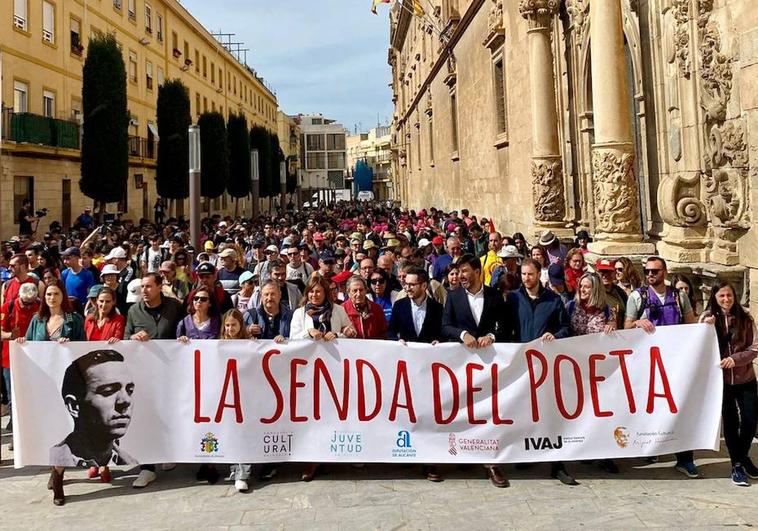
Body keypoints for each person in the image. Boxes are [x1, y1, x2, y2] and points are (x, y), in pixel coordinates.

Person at [441, 253, 512, 488]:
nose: (460, 276)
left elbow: (504, 326)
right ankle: (462, 453)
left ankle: (492, 463)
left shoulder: (493, 295)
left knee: (489, 412)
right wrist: (463, 335)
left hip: (489, 366)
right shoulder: (453, 297)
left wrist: (491, 336)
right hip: (462, 367)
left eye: (464, 271)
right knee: (463, 410)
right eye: (458, 272)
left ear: (477, 271)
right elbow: (446, 326)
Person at [624, 256, 698, 477]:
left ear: (664, 272)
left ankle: (685, 458)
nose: (650, 275)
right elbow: (626, 327)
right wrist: (637, 323)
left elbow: (691, 325)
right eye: (647, 271)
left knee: (680, 408)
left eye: (654, 271)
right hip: (648, 363)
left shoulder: (679, 296)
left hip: (675, 362)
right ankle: (652, 446)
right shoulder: (638, 297)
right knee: (651, 406)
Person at [506, 258, 576, 485]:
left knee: (550, 412)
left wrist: (555, 336)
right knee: (526, 411)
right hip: (522, 365)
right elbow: (506, 329)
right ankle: (529, 453)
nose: (526, 278)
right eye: (524, 274)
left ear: (539, 275)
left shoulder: (553, 300)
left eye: (530, 274)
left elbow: (566, 327)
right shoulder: (514, 299)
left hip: (547, 365)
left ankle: (558, 464)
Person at [19, 279, 86, 506]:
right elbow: (28, 344)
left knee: (63, 428)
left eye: (55, 294)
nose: (51, 298)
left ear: (62, 296)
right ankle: (53, 468)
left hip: (66, 384)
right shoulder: (37, 320)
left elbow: (82, 349)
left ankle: (58, 477)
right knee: (48, 429)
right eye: (48, 294)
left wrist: (71, 345)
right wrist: (22, 343)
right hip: (43, 384)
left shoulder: (74, 320)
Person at [289, 276, 355, 481]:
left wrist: (338, 334)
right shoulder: (300, 314)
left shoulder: (338, 310)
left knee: (331, 412)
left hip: (333, 370)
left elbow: (350, 332)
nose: (314, 295)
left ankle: (330, 455)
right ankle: (312, 459)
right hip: (308, 371)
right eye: (311, 291)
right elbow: (292, 338)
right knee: (311, 414)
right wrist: (308, 333)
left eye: (318, 291)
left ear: (326, 293)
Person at [124, 273, 185, 489]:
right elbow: (125, 339)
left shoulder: (175, 307)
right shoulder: (134, 311)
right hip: (144, 374)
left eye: (149, 286)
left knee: (170, 413)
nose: (145, 290)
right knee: (146, 417)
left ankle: (168, 451)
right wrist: (133, 338)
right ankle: (147, 468)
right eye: (142, 287)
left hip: (171, 372)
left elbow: (184, 330)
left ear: (160, 287)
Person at [700, 281, 758, 486]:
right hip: (722, 381)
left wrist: (737, 359)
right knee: (731, 422)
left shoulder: (746, 319)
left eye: (729, 296)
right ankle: (737, 465)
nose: (726, 300)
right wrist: (705, 327)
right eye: (722, 296)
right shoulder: (707, 319)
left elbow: (754, 348)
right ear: (715, 298)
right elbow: (698, 344)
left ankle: (742, 457)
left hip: (745, 378)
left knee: (751, 420)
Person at [219, 309, 254, 492]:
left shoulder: (250, 345)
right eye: (227, 325)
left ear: (241, 325)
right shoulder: (217, 346)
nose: (230, 328)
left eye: (234, 325)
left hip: (246, 396)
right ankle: (234, 469)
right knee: (230, 433)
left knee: (243, 434)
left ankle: (243, 473)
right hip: (226, 397)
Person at [1, 282, 40, 443]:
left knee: (34, 396)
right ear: (19, 298)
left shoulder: (39, 306)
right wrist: (11, 335)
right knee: (13, 398)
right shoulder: (7, 307)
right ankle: (16, 437)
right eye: (25, 302)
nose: (28, 306)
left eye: (31, 303)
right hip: (10, 359)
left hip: (35, 360)